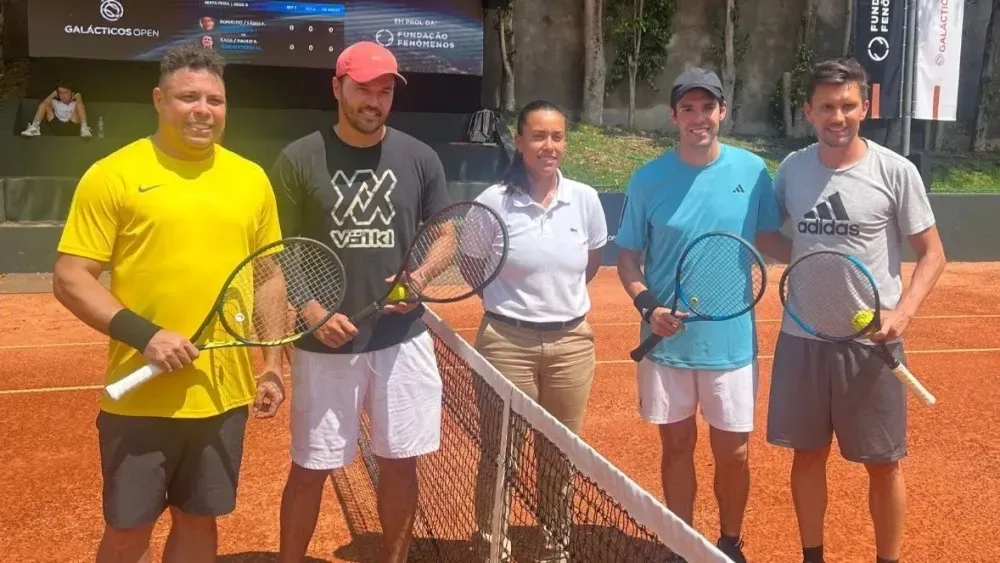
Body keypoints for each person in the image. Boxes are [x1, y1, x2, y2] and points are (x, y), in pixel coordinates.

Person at [51, 44, 285, 563]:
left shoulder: (251, 179)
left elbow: (269, 276)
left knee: (200, 524)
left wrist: (270, 365)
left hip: (223, 399)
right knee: (128, 532)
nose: (203, 109)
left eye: (215, 100)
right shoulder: (113, 174)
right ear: (159, 99)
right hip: (141, 400)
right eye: (188, 98)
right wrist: (147, 336)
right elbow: (70, 277)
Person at [268, 41, 451, 563]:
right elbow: (279, 251)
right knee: (311, 467)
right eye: (364, 89)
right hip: (325, 345)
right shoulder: (298, 158)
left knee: (400, 465)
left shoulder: (420, 158)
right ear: (337, 87)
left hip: (402, 340)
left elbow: (444, 235)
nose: (374, 100)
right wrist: (310, 310)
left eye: (385, 91)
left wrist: (420, 276)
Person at [764, 58, 946, 563]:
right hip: (802, 339)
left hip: (873, 344)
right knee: (806, 455)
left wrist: (903, 315)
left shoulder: (895, 171)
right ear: (808, 111)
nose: (837, 116)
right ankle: (812, 558)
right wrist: (802, 261)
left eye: (847, 105)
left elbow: (933, 252)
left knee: (884, 464)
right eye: (826, 107)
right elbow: (769, 234)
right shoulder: (793, 170)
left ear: (865, 107)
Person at [615, 67, 785, 563]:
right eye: (687, 108)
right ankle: (682, 542)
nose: (698, 117)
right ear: (674, 116)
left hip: (731, 345)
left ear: (722, 112)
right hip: (666, 343)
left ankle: (729, 543)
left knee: (734, 454)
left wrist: (819, 255)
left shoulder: (753, 172)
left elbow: (769, 239)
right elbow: (628, 256)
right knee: (676, 448)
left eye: (707, 107)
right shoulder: (647, 179)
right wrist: (649, 306)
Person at [470, 100, 608, 562]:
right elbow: (472, 263)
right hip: (506, 343)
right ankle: (494, 546)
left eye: (557, 137)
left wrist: (556, 305)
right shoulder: (493, 200)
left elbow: (590, 263)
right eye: (538, 136)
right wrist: (510, 305)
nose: (549, 146)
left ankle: (555, 548)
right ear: (520, 141)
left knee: (560, 453)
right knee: (501, 454)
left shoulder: (585, 199)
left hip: (571, 344)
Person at [21, 82, 92, 137]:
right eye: (60, 92)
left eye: (66, 92)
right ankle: (34, 128)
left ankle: (84, 128)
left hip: (72, 126)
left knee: (79, 105)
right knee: (44, 105)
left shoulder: (76, 103)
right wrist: (53, 94)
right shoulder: (55, 102)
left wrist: (79, 97)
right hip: (57, 126)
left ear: (72, 93)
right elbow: (44, 103)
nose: (63, 95)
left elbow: (80, 105)